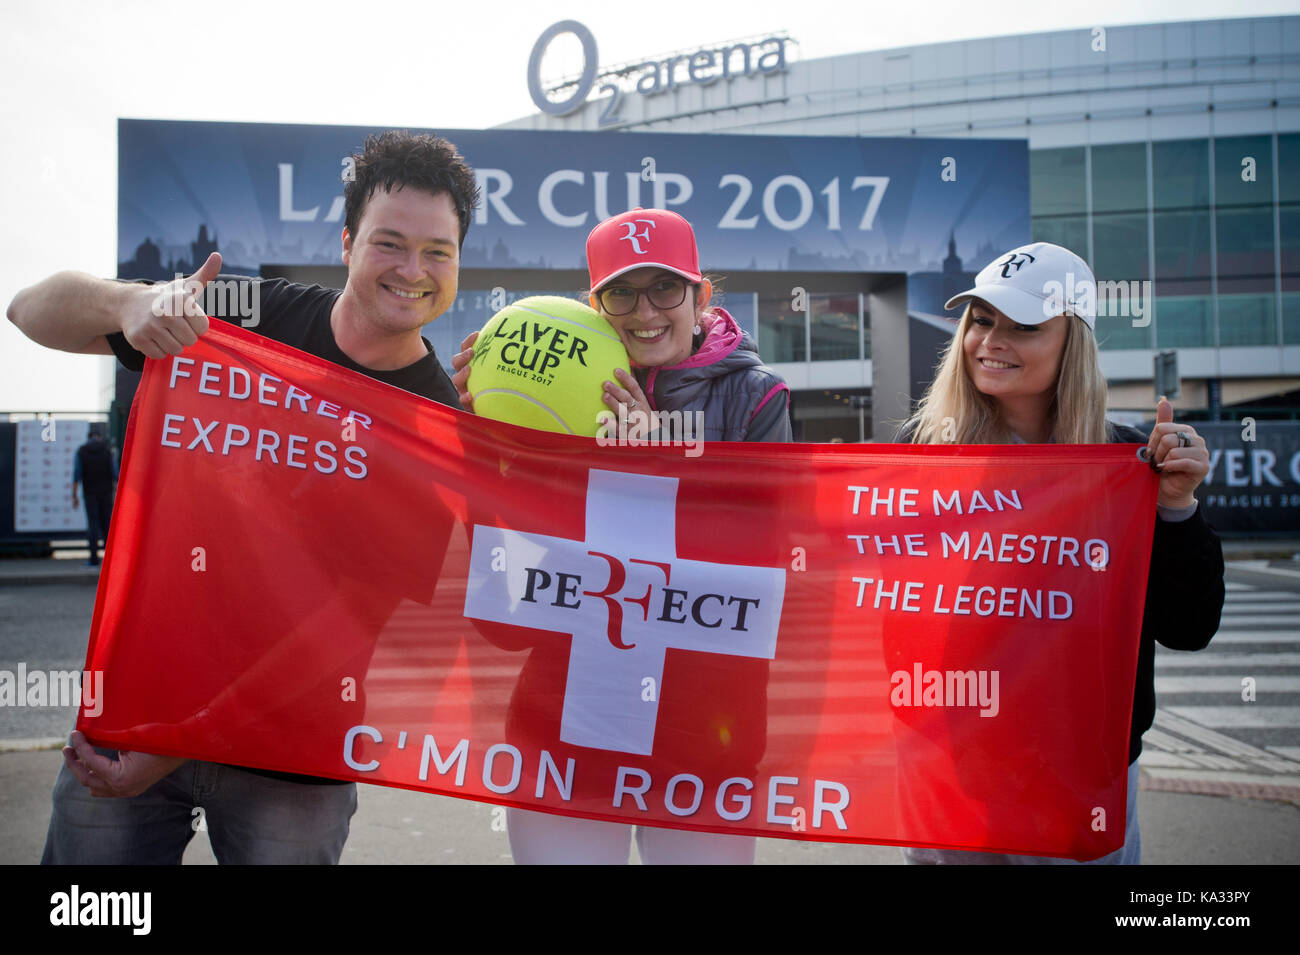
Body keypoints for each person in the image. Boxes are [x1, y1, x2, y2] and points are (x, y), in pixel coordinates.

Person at [8, 129, 480, 864]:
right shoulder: (243, 310)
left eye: (438, 251)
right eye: (389, 242)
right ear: (348, 241)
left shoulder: (437, 425)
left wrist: (184, 737)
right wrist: (130, 303)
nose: (413, 269)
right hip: (137, 708)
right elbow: (28, 310)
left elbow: (337, 632)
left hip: (292, 757)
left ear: (459, 262)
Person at [452, 207, 791, 863]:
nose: (644, 312)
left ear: (702, 296)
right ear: (594, 304)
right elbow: (508, 613)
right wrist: (479, 446)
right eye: (620, 292)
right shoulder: (541, 391)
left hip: (707, 737)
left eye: (665, 287)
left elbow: (759, 582)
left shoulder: (757, 396)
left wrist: (656, 463)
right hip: (564, 732)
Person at [896, 241, 1225, 864]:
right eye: (983, 320)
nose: (991, 341)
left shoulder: (1133, 460)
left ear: (1072, 342)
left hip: (1080, 767)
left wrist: (1177, 507)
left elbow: (1188, 628)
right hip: (948, 759)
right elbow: (891, 608)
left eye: (1023, 326)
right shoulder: (921, 449)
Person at [72, 423, 118, 567]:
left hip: (89, 493)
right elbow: (115, 474)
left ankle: (93, 559)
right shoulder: (107, 451)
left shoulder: (81, 451)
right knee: (107, 526)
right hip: (106, 493)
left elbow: (76, 476)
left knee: (92, 526)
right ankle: (109, 560)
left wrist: (74, 496)